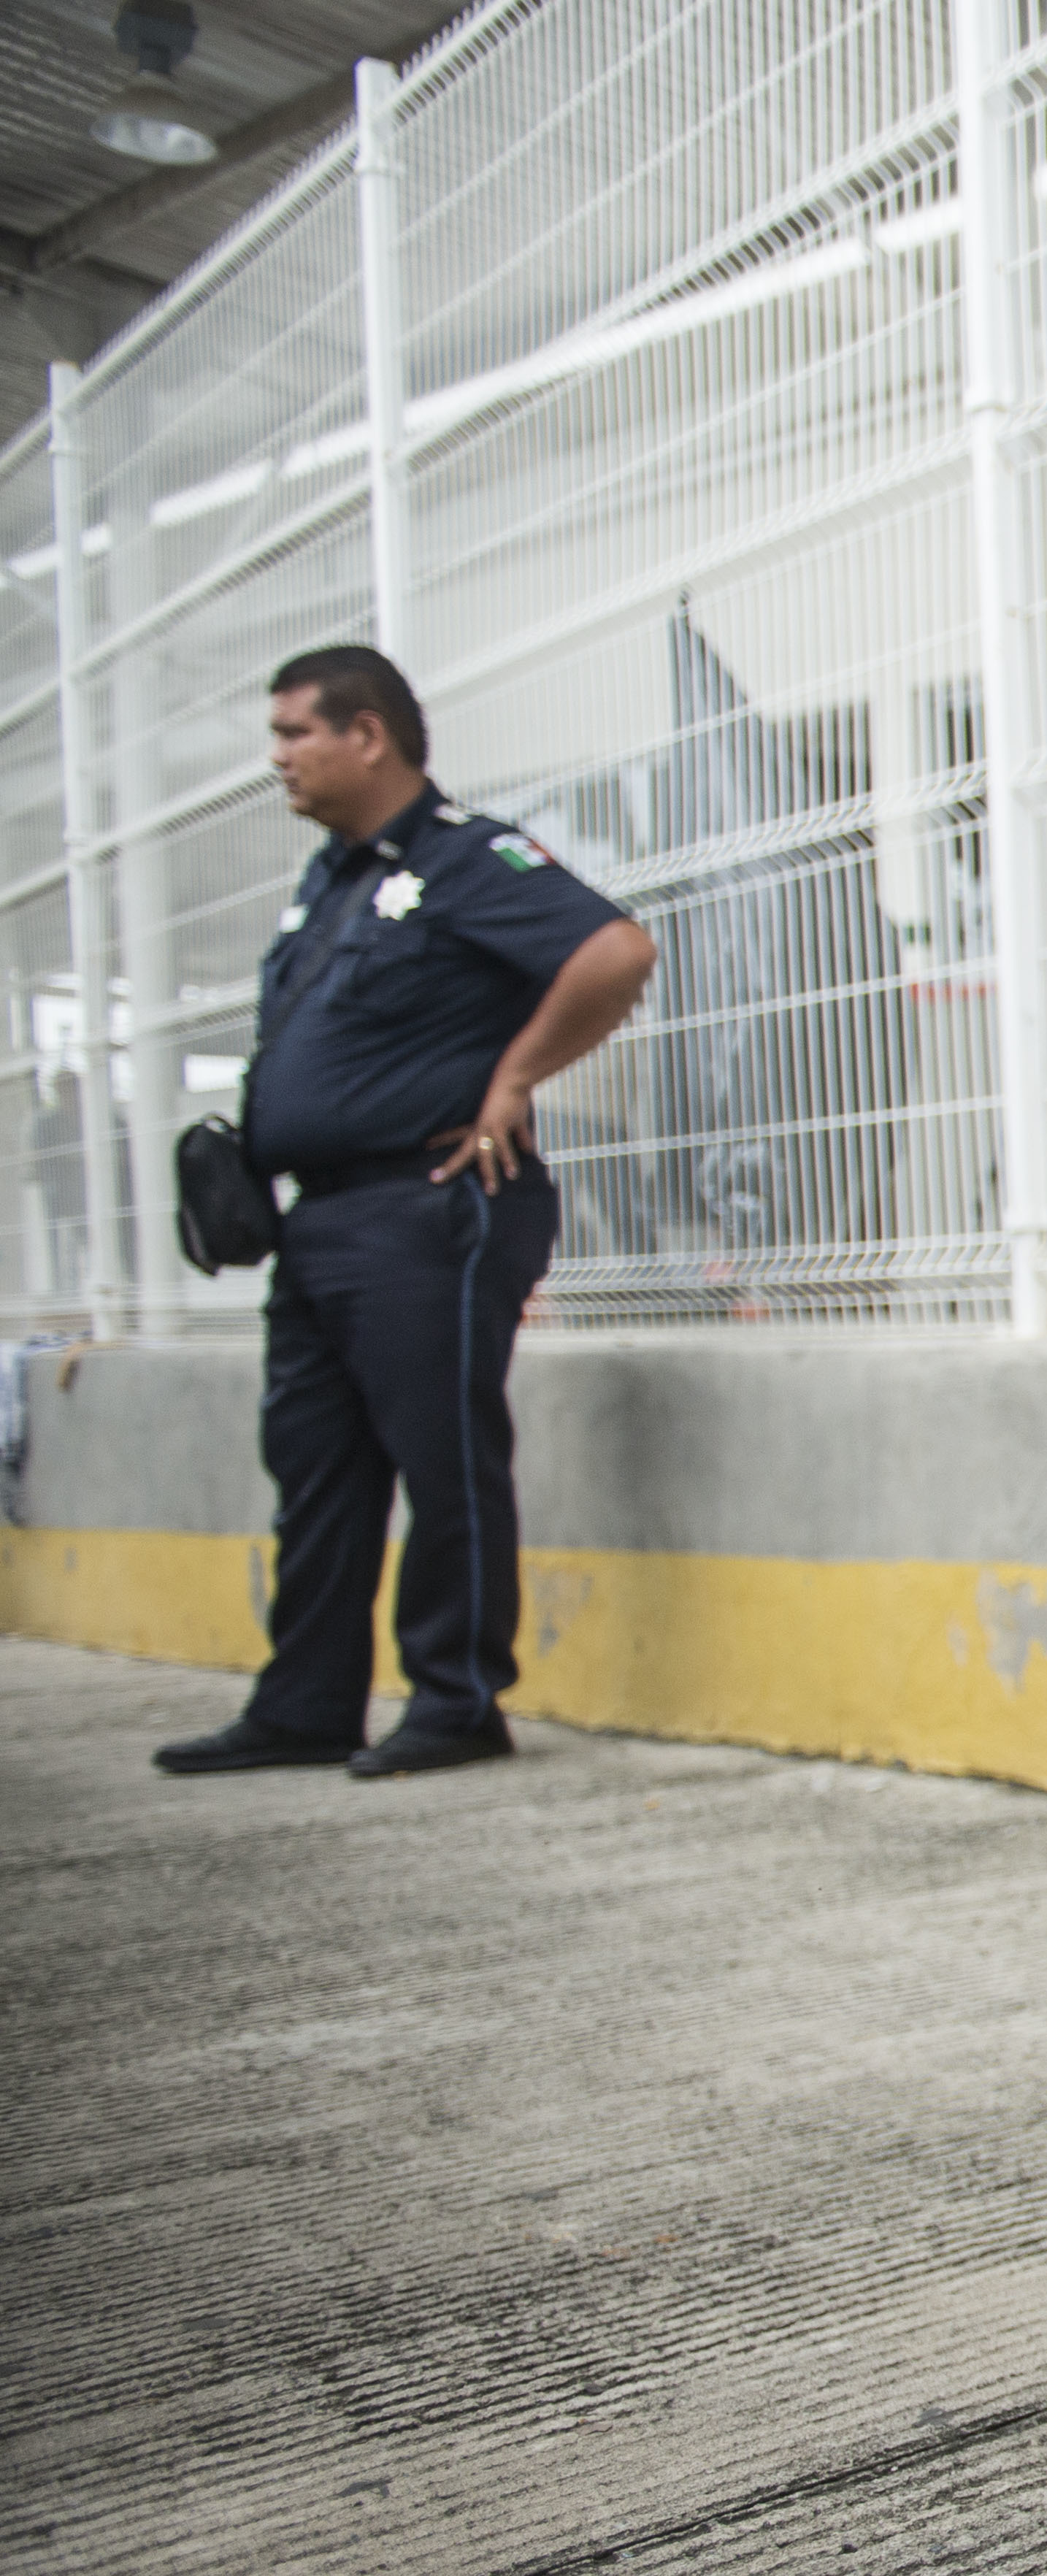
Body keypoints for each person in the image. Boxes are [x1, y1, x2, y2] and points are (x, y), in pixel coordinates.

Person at [153, 647, 656, 1782]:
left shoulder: (466, 859)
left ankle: (457, 1698)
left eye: (294, 733)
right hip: (321, 1221)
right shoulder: (331, 881)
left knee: (442, 1457)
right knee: (316, 1468)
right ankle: (306, 1703)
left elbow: (616, 950)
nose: (276, 756)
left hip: (429, 1208)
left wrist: (517, 1077)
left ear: (367, 734)